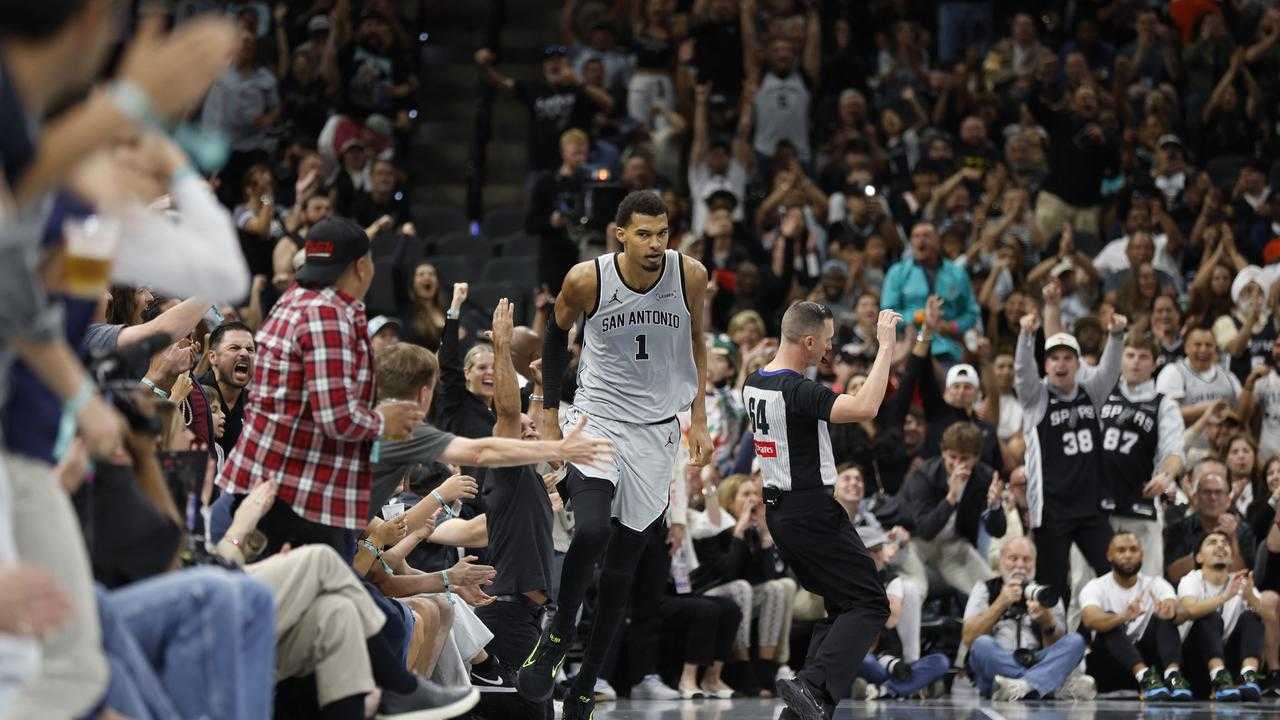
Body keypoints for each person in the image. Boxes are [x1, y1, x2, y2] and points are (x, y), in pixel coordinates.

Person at [517, 190, 712, 720]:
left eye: (663, 233)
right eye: (643, 233)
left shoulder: (689, 275)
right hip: (599, 416)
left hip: (657, 431)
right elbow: (555, 338)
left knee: (624, 568)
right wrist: (550, 409)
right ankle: (558, 635)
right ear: (619, 234)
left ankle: (585, 684)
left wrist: (698, 414)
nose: (654, 244)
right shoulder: (588, 279)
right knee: (593, 531)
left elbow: (698, 340)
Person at [215, 217, 423, 559]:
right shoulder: (326, 314)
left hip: (273, 482)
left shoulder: (295, 299)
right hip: (296, 496)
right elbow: (337, 418)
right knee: (327, 604)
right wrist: (383, 421)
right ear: (362, 267)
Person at [741, 301, 901, 720]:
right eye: (827, 341)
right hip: (811, 511)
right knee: (870, 603)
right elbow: (865, 408)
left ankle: (805, 709)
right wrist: (885, 347)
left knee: (842, 606)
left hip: (782, 514)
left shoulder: (754, 382)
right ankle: (810, 686)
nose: (829, 349)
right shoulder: (797, 391)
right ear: (809, 341)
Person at [1014, 310, 1127, 604]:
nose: (1060, 364)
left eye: (1067, 358)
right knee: (1054, 588)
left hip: (1091, 506)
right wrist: (1026, 338)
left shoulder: (1092, 392)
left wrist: (1116, 336)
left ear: (1078, 364)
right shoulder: (1035, 398)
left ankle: (1105, 640)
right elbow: (1022, 374)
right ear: (1045, 364)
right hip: (1052, 510)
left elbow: (1111, 369)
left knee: (1112, 574)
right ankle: (1052, 646)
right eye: (1053, 358)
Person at [962, 537, 1094, 701]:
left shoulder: (1045, 594)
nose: (1020, 565)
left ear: (1034, 563)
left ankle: (1024, 687)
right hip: (997, 664)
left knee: (1076, 641)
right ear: (1001, 560)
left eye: (1026, 559)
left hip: (1035, 659)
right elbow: (969, 638)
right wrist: (1000, 603)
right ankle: (1050, 688)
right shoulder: (984, 588)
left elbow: (1057, 648)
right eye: (1013, 558)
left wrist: (1047, 622)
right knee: (982, 644)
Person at [1100, 332, 1185, 575]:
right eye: (1130, 355)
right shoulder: (1101, 393)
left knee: (1147, 587)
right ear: (1121, 359)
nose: (1135, 361)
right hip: (1097, 508)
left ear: (1155, 363)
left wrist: (1165, 476)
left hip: (1140, 506)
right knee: (1084, 589)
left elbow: (1174, 451)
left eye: (1143, 356)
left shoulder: (1164, 404)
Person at [1079, 533, 1191, 700]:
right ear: (1109, 555)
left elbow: (1180, 609)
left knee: (1165, 618)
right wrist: (1123, 617)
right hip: (1108, 667)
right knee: (1109, 620)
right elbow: (1089, 619)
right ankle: (1144, 677)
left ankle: (1172, 675)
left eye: (1133, 550)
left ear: (1142, 554)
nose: (1128, 555)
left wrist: (1172, 610)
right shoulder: (1096, 586)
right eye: (1121, 550)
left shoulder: (1156, 583)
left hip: (1151, 665)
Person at [901, 422, 1005, 596]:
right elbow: (926, 531)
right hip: (915, 543)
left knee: (990, 592)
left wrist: (995, 505)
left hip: (954, 545)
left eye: (964, 458)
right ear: (943, 452)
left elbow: (998, 531)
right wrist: (952, 497)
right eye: (952, 457)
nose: (957, 464)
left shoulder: (984, 477)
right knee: (916, 590)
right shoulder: (924, 476)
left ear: (976, 458)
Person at [851, 525, 949, 700]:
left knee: (941, 661)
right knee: (861, 659)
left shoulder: (891, 581)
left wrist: (895, 664)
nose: (885, 555)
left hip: (890, 660)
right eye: (879, 550)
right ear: (867, 554)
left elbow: (890, 621)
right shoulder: (846, 583)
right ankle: (911, 686)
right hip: (864, 658)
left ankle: (883, 690)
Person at [1177, 531, 1268, 700]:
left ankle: (1248, 676)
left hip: (1231, 663)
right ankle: (1218, 677)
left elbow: (1271, 619)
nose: (1220, 545)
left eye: (1225, 543)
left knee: (1252, 616)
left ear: (1232, 558)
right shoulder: (1191, 580)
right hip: (1196, 663)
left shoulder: (1241, 582)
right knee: (1209, 616)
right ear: (1199, 557)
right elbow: (1190, 610)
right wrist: (1225, 596)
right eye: (1212, 542)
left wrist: (1251, 598)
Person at [881, 222, 980, 362]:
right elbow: (887, 312)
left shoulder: (957, 273)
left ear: (938, 241)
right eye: (916, 236)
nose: (921, 241)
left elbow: (971, 312)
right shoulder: (898, 272)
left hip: (948, 348)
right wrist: (918, 316)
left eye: (926, 236)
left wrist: (952, 326)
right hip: (909, 347)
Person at [1164, 461, 1258, 585]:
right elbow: (1172, 575)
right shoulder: (1177, 528)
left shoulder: (1243, 530)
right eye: (1207, 492)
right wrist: (1208, 544)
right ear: (1196, 498)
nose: (1213, 498)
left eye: (1218, 492)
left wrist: (1232, 539)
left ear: (1228, 499)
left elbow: (1242, 578)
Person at [1156, 325, 1241, 424]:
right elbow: (1166, 413)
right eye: (1197, 344)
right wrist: (1209, 408)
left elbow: (1240, 411)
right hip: (1186, 438)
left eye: (1208, 345)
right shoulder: (1173, 372)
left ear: (1215, 348)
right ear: (1186, 348)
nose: (1203, 350)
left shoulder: (1228, 376)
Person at [199, 320, 256, 457]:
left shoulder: (257, 404)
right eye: (234, 348)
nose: (244, 354)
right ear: (212, 357)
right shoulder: (193, 396)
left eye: (250, 349)